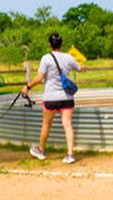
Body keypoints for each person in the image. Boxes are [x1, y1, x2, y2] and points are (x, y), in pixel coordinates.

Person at [21, 32, 85, 164]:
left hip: (50, 98)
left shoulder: (46, 58)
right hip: (67, 97)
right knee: (68, 126)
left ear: (49, 45)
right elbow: (79, 69)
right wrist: (84, 67)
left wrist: (28, 87)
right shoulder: (68, 57)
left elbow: (39, 78)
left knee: (46, 125)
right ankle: (70, 155)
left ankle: (41, 151)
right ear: (61, 44)